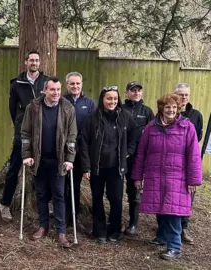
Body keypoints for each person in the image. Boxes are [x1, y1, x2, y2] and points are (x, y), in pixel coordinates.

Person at [132, 93, 202, 260]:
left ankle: (175, 247)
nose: (170, 110)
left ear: (178, 109)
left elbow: (194, 155)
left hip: (177, 177)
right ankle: (162, 237)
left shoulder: (187, 127)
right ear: (161, 108)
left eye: (174, 107)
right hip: (155, 175)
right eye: (167, 107)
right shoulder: (151, 128)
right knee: (160, 209)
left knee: (173, 213)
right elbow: (141, 153)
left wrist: (194, 179)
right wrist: (137, 177)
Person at [21, 76, 77, 247]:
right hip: (39, 159)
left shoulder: (68, 108)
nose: (56, 93)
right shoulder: (33, 107)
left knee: (59, 195)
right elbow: (25, 134)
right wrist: (26, 155)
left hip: (58, 160)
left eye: (59, 90)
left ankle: (61, 232)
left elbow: (72, 136)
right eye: (52, 89)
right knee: (41, 194)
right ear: (45, 90)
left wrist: (70, 158)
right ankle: (43, 225)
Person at [80, 86, 138, 244]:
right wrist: (86, 167)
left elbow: (135, 134)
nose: (112, 101)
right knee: (97, 198)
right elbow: (84, 142)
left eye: (114, 99)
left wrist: (130, 150)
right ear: (102, 100)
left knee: (116, 199)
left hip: (117, 167)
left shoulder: (124, 116)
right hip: (97, 166)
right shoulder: (93, 118)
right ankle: (99, 231)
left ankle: (114, 230)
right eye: (109, 98)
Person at [0, 50, 50, 221]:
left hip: (43, 131)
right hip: (23, 132)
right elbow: (12, 109)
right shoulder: (16, 83)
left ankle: (44, 203)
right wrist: (21, 126)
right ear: (26, 62)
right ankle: (4, 204)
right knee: (14, 167)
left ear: (39, 63)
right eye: (31, 60)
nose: (34, 63)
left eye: (37, 60)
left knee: (43, 167)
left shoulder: (46, 82)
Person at [63, 71, 96, 229]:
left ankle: (73, 218)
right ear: (67, 85)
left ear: (81, 85)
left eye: (77, 83)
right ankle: (62, 216)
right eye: (72, 84)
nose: (75, 86)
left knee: (75, 185)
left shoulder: (89, 104)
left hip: (81, 151)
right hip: (62, 151)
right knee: (61, 185)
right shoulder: (61, 101)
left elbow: (93, 127)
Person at [121, 81, 154, 236]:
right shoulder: (120, 108)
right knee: (115, 190)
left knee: (134, 191)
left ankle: (133, 223)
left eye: (138, 91)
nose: (136, 93)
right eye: (133, 90)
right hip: (120, 156)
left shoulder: (147, 112)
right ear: (127, 92)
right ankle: (114, 219)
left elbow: (152, 135)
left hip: (137, 158)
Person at [173, 83, 203, 244]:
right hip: (172, 164)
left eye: (186, 95)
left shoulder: (196, 115)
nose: (184, 97)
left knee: (188, 196)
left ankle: (183, 228)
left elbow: (197, 137)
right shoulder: (168, 112)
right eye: (180, 94)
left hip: (188, 162)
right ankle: (165, 228)